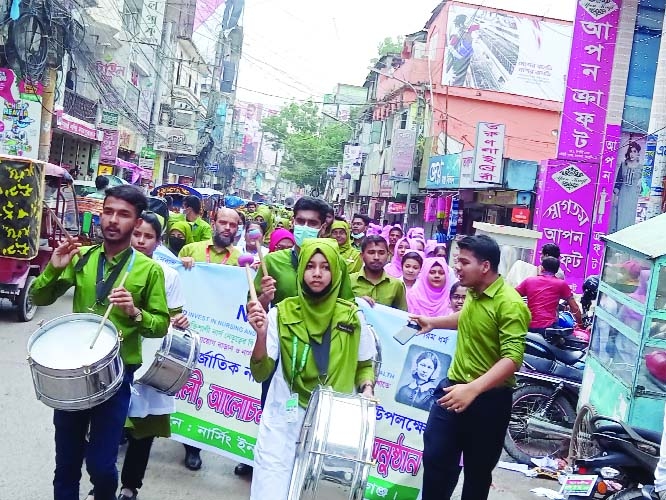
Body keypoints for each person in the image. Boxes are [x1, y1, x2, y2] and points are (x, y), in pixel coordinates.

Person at [30, 185, 171, 500]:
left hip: (118, 374)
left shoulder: (149, 271)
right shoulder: (83, 259)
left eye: (123, 215)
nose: (112, 220)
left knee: (101, 465)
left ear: (136, 224)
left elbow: (160, 325)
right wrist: (53, 268)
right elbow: (39, 296)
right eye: (108, 211)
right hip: (74, 370)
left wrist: (134, 312)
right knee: (66, 462)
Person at [245, 239, 376, 499]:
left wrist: (367, 389)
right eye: (311, 266)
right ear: (302, 270)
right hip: (284, 417)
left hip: (334, 422)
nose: (317, 274)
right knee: (270, 488)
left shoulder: (352, 317)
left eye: (325, 267)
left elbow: (365, 365)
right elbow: (261, 372)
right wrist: (260, 336)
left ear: (336, 272)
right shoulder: (280, 313)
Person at [409, 235, 530, 500]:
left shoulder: (510, 304)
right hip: (452, 390)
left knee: (477, 474)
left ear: (485, 266)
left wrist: (473, 389)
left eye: (464, 262)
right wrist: (432, 322)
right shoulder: (474, 293)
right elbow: (467, 318)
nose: (457, 268)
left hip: (488, 401)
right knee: (436, 458)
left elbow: (512, 359)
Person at [119, 212, 190, 500]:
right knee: (108, 426)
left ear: (157, 241)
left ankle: (129, 487)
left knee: (143, 427)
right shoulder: (113, 265)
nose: (140, 241)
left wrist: (180, 321)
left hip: (150, 358)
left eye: (148, 236)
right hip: (116, 356)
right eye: (137, 234)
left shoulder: (168, 275)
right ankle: (101, 481)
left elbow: (174, 317)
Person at [177, 207, 242, 470]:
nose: (227, 228)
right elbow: (172, 282)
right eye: (223, 222)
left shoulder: (242, 261)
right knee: (179, 380)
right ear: (213, 223)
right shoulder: (190, 251)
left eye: (233, 225)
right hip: (187, 328)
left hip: (220, 338)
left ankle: (194, 446)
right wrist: (182, 266)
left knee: (206, 385)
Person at [516, 256, 582, 333]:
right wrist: (580, 324)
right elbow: (574, 307)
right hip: (549, 327)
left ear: (542, 268)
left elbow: (512, 296)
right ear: (556, 270)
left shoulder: (529, 281)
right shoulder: (561, 284)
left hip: (528, 326)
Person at [351, 235, 408, 311]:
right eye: (371, 252)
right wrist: (358, 303)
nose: (376, 257)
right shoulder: (349, 280)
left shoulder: (397, 285)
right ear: (362, 256)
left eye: (381, 253)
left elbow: (402, 316)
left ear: (388, 256)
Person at [613, 140, 643, 232]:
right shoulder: (623, 165)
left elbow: (643, 185)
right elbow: (618, 181)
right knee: (621, 215)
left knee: (631, 215)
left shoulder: (641, 167)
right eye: (630, 151)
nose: (632, 154)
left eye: (634, 151)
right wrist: (615, 195)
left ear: (638, 153)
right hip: (623, 194)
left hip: (634, 195)